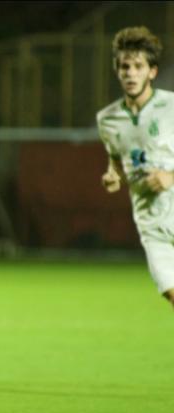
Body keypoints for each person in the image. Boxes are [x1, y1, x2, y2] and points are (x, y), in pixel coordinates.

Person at [97, 27, 174, 306]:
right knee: (171, 292)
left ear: (152, 72)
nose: (130, 73)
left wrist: (171, 176)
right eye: (124, 67)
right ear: (117, 71)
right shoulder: (107, 119)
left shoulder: (171, 106)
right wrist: (113, 175)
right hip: (150, 223)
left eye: (138, 66)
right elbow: (117, 159)